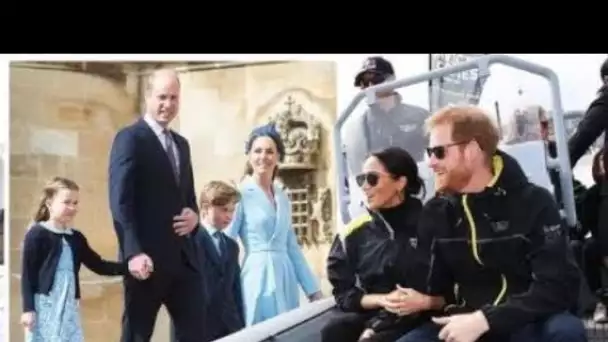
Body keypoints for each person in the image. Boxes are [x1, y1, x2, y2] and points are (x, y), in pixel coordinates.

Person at [397, 105, 586, 342]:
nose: (431, 163)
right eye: (429, 153)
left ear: (472, 150)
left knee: (565, 332)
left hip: (526, 320)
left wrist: (485, 320)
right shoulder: (437, 210)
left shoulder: (533, 202)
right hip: (462, 320)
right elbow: (435, 287)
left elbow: (557, 286)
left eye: (439, 152)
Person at [108, 69, 205, 342]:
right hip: (146, 263)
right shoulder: (130, 138)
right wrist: (133, 253)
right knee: (136, 337)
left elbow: (189, 199)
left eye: (174, 98)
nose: (168, 104)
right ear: (148, 97)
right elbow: (120, 202)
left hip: (185, 263)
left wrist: (194, 218)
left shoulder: (182, 145)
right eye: (162, 97)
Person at [323, 147, 446, 342]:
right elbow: (344, 293)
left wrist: (426, 302)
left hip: (428, 315)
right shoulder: (353, 233)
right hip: (377, 315)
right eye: (361, 179)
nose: (364, 186)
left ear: (400, 182)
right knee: (334, 331)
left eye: (372, 178)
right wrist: (382, 300)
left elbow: (462, 288)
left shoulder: (435, 224)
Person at [226, 123, 322, 326]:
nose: (263, 157)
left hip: (285, 275)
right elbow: (227, 241)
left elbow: (292, 247)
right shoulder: (240, 194)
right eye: (258, 151)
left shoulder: (282, 197)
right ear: (249, 156)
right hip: (256, 275)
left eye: (270, 151)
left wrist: (312, 289)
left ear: (278, 156)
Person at [20, 177, 125, 342]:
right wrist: (28, 309)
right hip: (45, 307)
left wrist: (129, 267)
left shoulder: (76, 238)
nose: (72, 207)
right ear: (49, 203)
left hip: (69, 307)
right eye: (66, 202)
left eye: (75, 203)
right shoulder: (36, 234)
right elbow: (28, 275)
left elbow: (99, 265)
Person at [344, 56, 430, 176]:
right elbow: (356, 169)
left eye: (376, 79)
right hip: (379, 188)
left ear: (392, 80)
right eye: (364, 83)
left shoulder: (420, 116)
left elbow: (437, 153)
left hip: (415, 184)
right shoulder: (359, 127)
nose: (370, 86)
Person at [195, 181, 245, 340]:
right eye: (224, 210)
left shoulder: (231, 246)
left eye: (232, 211)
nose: (229, 216)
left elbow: (236, 291)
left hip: (230, 328)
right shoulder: (191, 242)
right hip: (200, 328)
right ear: (205, 208)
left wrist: (241, 327)